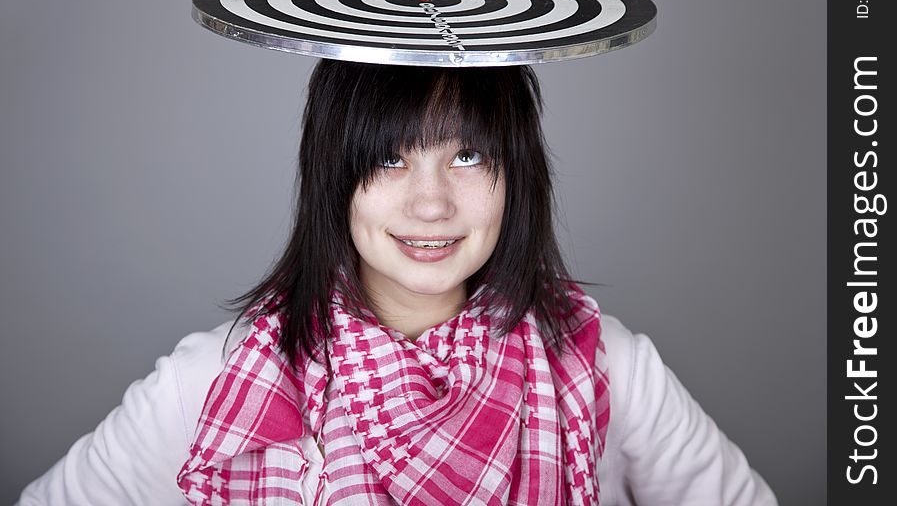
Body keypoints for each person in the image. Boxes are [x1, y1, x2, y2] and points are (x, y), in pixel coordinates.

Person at [18, 60, 777, 505]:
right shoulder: (216, 383)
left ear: (518, 176)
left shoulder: (604, 366)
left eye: (469, 157)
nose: (431, 202)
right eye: (390, 158)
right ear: (333, 178)